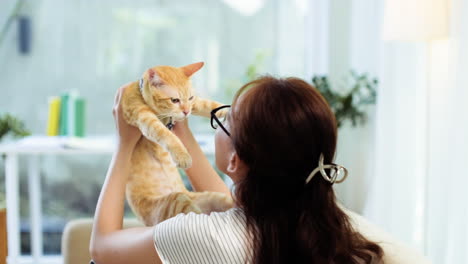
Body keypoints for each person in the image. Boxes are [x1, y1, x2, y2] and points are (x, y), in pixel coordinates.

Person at [90, 76, 384, 264]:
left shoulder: (202, 237)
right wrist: (182, 134)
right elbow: (230, 209)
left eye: (226, 119)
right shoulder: (339, 232)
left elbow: (102, 249)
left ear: (235, 161)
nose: (219, 121)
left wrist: (123, 145)